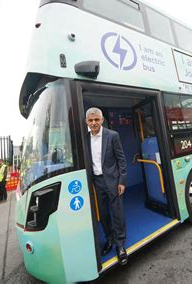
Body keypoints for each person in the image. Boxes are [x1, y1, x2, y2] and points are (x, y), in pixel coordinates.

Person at [86, 107, 128, 265]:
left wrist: (122, 181)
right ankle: (110, 239)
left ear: (102, 120)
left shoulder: (112, 136)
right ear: (87, 122)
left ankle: (120, 245)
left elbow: (121, 159)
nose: (94, 123)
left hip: (113, 181)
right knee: (103, 214)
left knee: (117, 213)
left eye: (97, 119)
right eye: (91, 120)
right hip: (97, 182)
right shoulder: (85, 138)